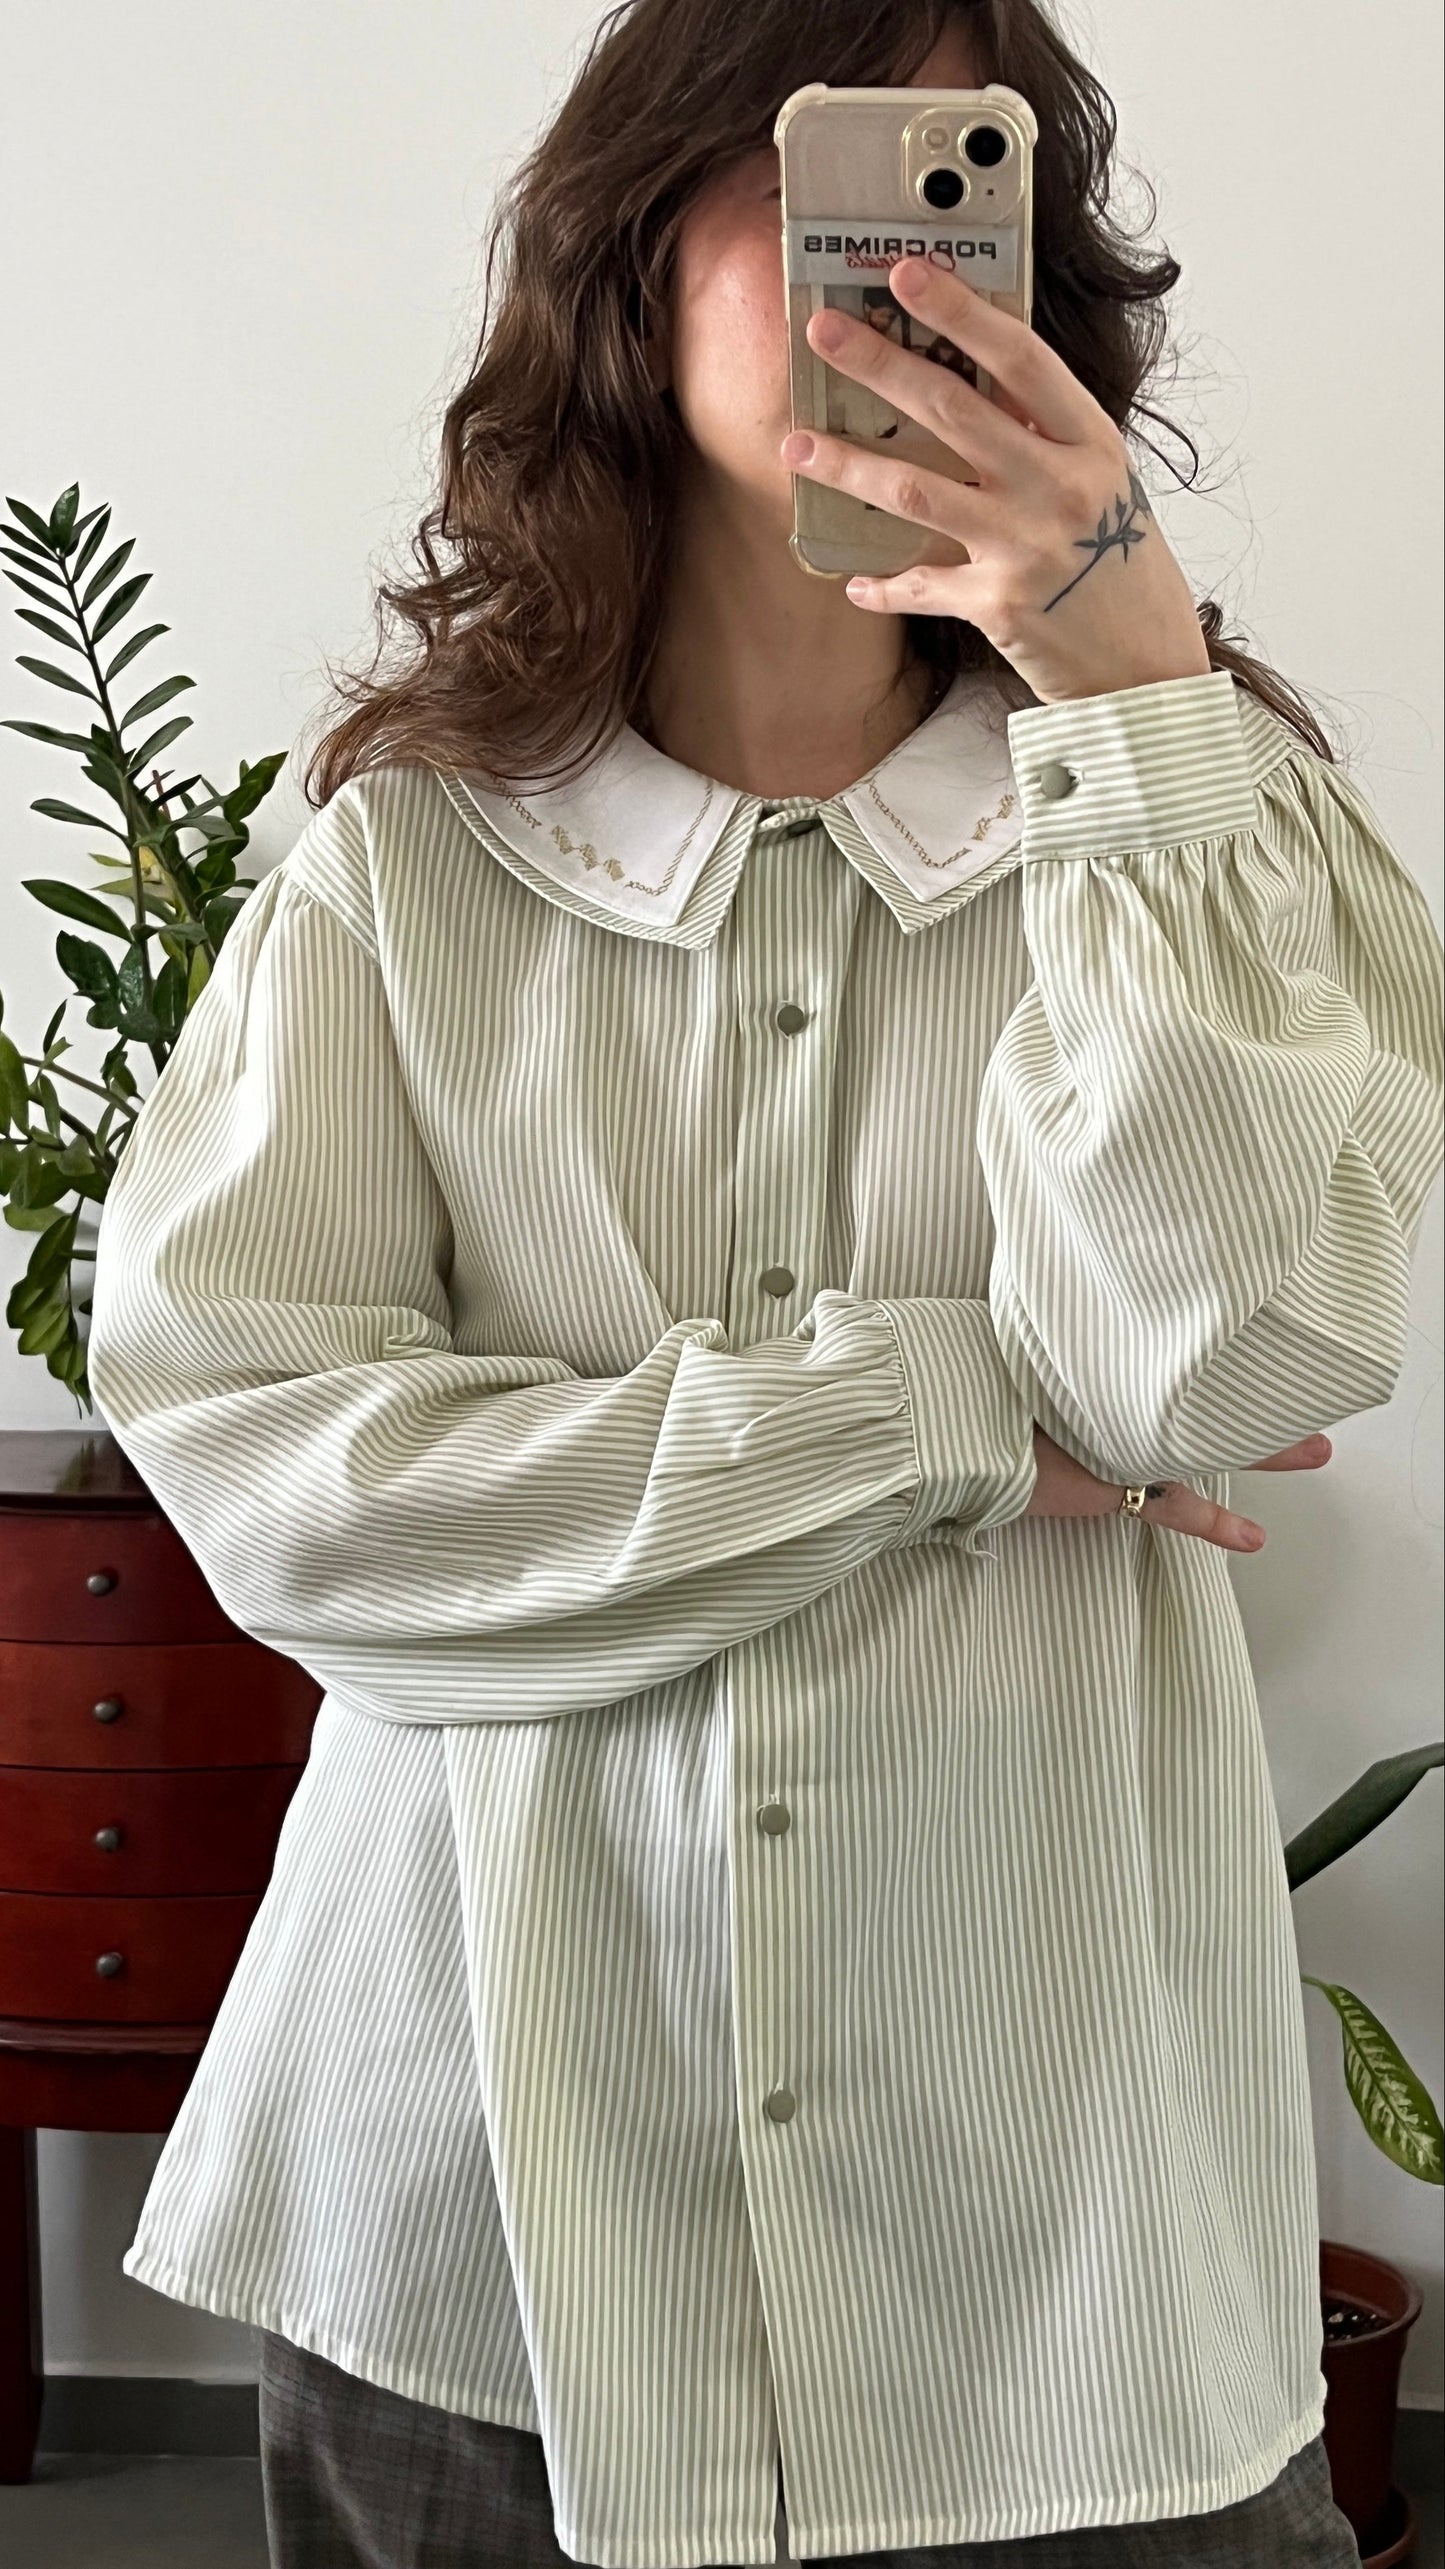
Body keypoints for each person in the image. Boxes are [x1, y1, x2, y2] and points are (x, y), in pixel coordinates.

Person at [84, 1, 1442, 2563]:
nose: (906, 276)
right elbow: (284, 1492)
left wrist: (1135, 692)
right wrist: (926, 1420)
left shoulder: (1216, 839)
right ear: (625, 248)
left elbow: (1225, 1357)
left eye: (973, 190)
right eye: (828, 181)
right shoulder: (406, 863)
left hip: (1053, 2263)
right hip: (468, 2216)